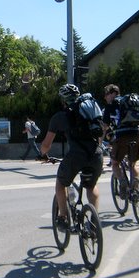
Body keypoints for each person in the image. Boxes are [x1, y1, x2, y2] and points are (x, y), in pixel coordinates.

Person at [40, 84, 103, 233]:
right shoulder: (90, 112)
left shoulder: (60, 117)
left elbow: (46, 145)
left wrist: (42, 154)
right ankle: (94, 222)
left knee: (60, 184)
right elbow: (100, 134)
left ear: (63, 100)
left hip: (76, 155)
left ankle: (63, 217)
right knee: (91, 186)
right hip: (96, 154)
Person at [103, 83, 139, 181]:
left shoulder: (110, 106)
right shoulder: (131, 103)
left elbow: (105, 127)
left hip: (121, 137)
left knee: (115, 164)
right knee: (132, 165)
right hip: (136, 135)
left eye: (106, 94)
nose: (105, 97)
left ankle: (122, 184)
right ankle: (136, 191)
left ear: (112, 93)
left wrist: (100, 141)